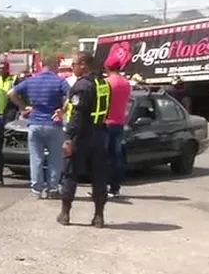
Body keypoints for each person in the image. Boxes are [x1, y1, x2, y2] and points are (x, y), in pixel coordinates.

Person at [57, 51, 111, 228]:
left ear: (83, 65)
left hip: (81, 137)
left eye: (74, 64)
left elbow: (78, 116)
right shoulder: (103, 84)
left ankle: (65, 213)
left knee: (70, 174)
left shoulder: (82, 86)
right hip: (99, 134)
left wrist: (70, 139)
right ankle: (99, 216)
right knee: (99, 177)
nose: (72, 68)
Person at [8, 57, 70, 199]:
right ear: (55, 65)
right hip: (53, 124)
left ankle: (36, 189)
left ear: (42, 66)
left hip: (34, 123)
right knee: (55, 159)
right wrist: (62, 110)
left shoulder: (31, 81)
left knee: (36, 158)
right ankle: (52, 189)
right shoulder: (59, 81)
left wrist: (23, 107)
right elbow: (72, 95)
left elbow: (11, 93)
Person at [103, 57, 132, 198]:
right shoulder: (126, 83)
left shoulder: (107, 83)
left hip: (106, 122)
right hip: (120, 122)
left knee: (102, 156)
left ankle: (103, 186)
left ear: (107, 68)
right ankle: (115, 187)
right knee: (117, 156)